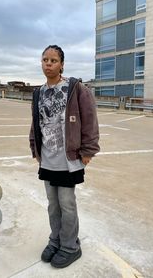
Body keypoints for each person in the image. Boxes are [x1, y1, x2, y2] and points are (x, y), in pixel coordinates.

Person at [29, 45, 100, 268]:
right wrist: (35, 148)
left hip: (69, 159)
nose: (48, 64)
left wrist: (88, 150)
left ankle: (70, 246)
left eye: (53, 60)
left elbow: (89, 119)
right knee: (52, 204)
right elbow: (36, 123)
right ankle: (56, 240)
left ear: (62, 64)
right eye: (45, 60)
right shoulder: (38, 92)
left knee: (67, 204)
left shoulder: (75, 88)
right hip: (48, 158)